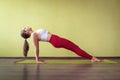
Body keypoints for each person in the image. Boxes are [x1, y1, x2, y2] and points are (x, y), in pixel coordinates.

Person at [20, 27, 101, 63]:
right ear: (26, 32)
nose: (26, 26)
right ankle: (92, 58)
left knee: (74, 48)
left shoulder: (35, 32)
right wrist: (37, 60)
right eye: (25, 28)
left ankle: (91, 58)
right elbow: (36, 48)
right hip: (55, 40)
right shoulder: (33, 34)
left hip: (55, 40)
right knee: (75, 48)